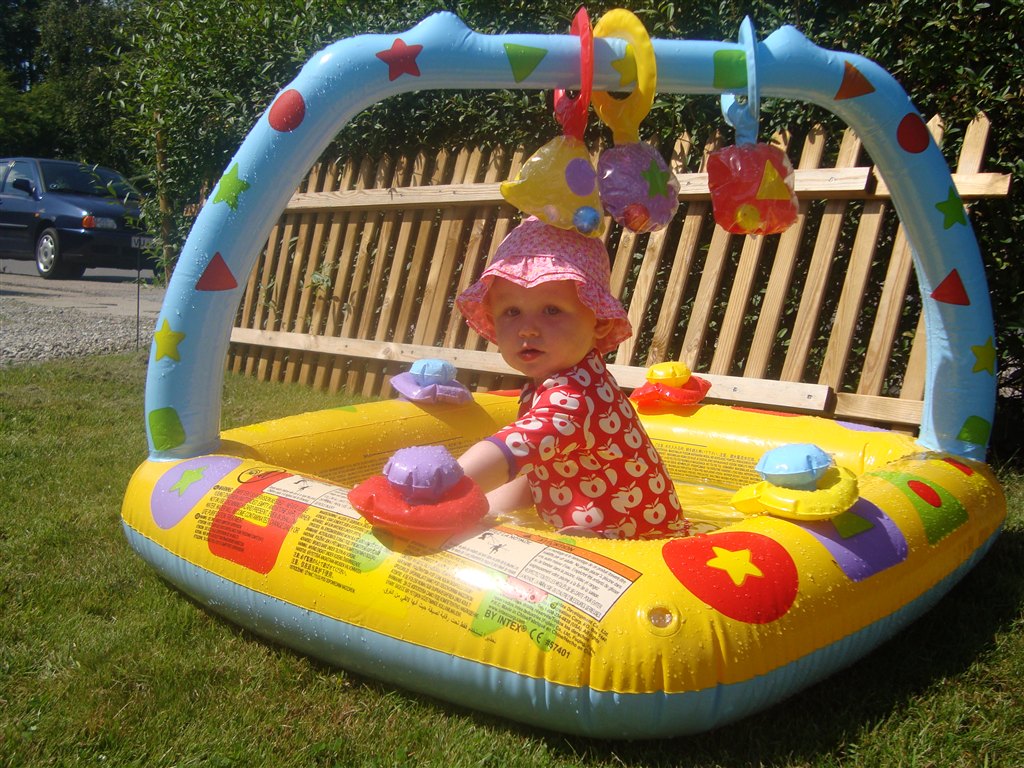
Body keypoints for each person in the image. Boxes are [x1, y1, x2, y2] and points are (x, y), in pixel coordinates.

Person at [455, 216, 689, 539]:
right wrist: (479, 511)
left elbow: (511, 449)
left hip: (637, 545)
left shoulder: (577, 395)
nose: (527, 329)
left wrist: (443, 484)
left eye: (551, 310)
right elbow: (533, 473)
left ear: (599, 322)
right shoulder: (555, 383)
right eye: (512, 312)